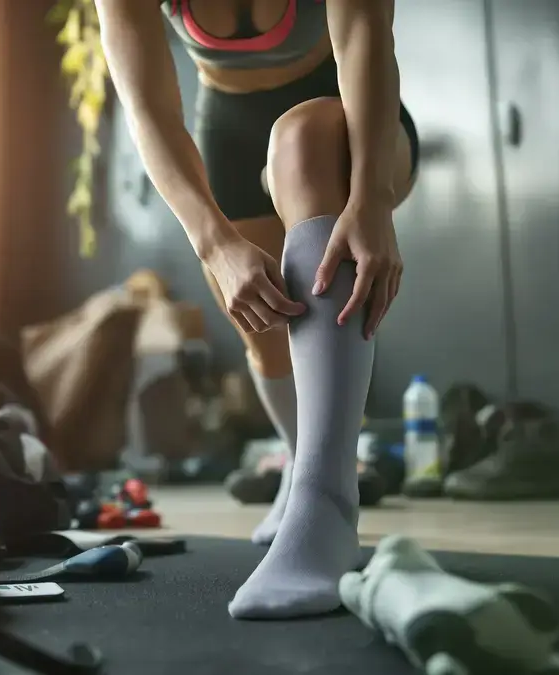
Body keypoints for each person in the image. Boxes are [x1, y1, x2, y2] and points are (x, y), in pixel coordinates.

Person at [94, 0, 419, 620]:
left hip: (344, 109)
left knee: (300, 137)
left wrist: (371, 196)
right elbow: (147, 109)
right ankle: (302, 465)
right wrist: (213, 243)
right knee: (267, 333)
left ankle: (325, 511)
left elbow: (363, 33)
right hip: (228, 125)